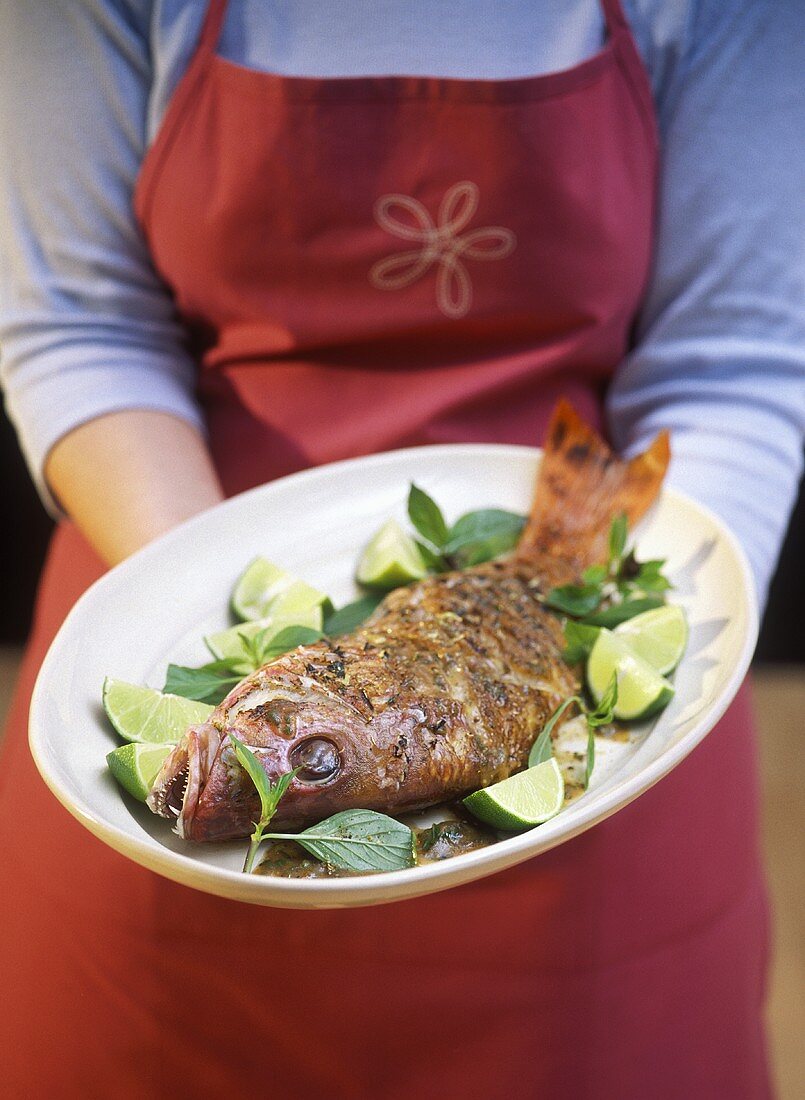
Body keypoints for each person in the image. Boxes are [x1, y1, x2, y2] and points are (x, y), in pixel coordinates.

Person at [1, 1, 803, 1095]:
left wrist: (659, 616)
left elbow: (733, 361)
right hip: (159, 532)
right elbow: (77, 324)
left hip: (589, 755)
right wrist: (190, 587)